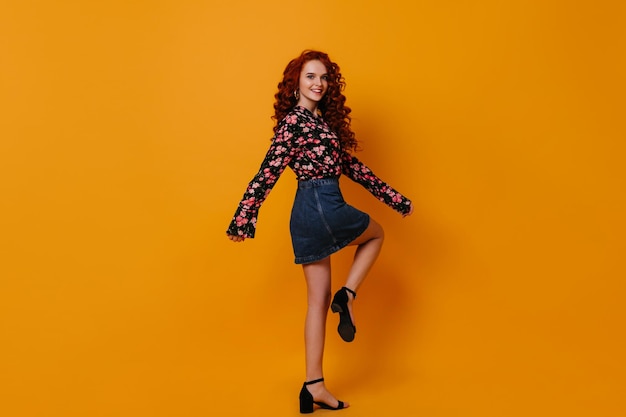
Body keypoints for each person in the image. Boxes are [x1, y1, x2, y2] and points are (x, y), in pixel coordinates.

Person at [226, 50, 413, 413]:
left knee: (315, 303)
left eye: (325, 78)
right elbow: (269, 170)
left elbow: (351, 167)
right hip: (324, 202)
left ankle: (313, 386)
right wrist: (243, 217)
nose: (319, 83)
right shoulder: (296, 124)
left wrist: (393, 196)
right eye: (311, 76)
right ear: (295, 81)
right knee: (375, 236)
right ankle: (348, 294)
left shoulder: (319, 125)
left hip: (305, 214)